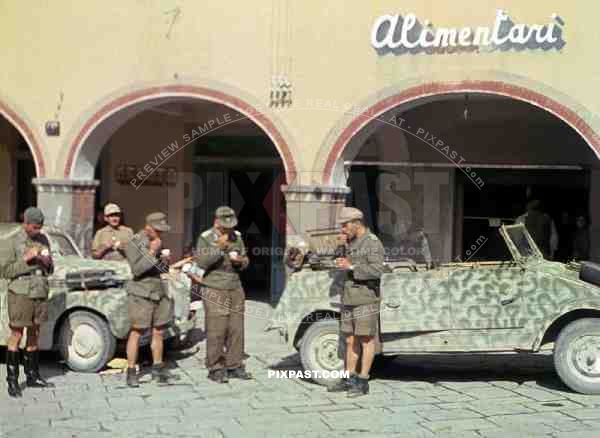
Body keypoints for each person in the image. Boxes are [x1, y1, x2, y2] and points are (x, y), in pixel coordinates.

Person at [186, 206, 252, 383]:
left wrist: (240, 262)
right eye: (225, 225)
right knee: (217, 328)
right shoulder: (206, 238)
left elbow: (246, 259)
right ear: (216, 222)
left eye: (230, 225)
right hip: (215, 286)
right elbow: (202, 261)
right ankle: (215, 367)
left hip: (235, 285)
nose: (228, 229)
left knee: (236, 328)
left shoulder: (236, 237)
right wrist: (219, 248)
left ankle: (234, 365)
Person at [328, 207, 387, 397]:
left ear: (356, 223)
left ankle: (362, 381)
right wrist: (340, 247)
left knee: (366, 339)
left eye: (345, 226)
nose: (342, 229)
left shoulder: (372, 243)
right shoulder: (349, 242)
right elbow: (337, 261)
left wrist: (352, 266)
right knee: (350, 338)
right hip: (349, 297)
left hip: (365, 298)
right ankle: (349, 377)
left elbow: (377, 271)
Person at [0, 207, 55, 397]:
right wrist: (27, 259)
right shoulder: (12, 241)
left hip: (39, 291)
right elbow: (5, 271)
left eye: (40, 227)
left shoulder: (43, 239)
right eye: (34, 227)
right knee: (16, 334)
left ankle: (32, 375)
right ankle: (12, 381)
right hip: (20, 293)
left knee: (35, 333)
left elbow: (51, 268)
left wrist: (47, 263)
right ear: (25, 223)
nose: (38, 230)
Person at [124, 212, 176, 387]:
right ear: (148, 227)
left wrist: (164, 261)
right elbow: (137, 269)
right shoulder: (134, 242)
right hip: (141, 293)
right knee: (137, 331)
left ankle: (157, 369)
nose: (161, 234)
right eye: (158, 230)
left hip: (158, 291)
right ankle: (131, 372)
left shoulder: (157, 240)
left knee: (159, 331)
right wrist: (153, 251)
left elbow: (160, 268)